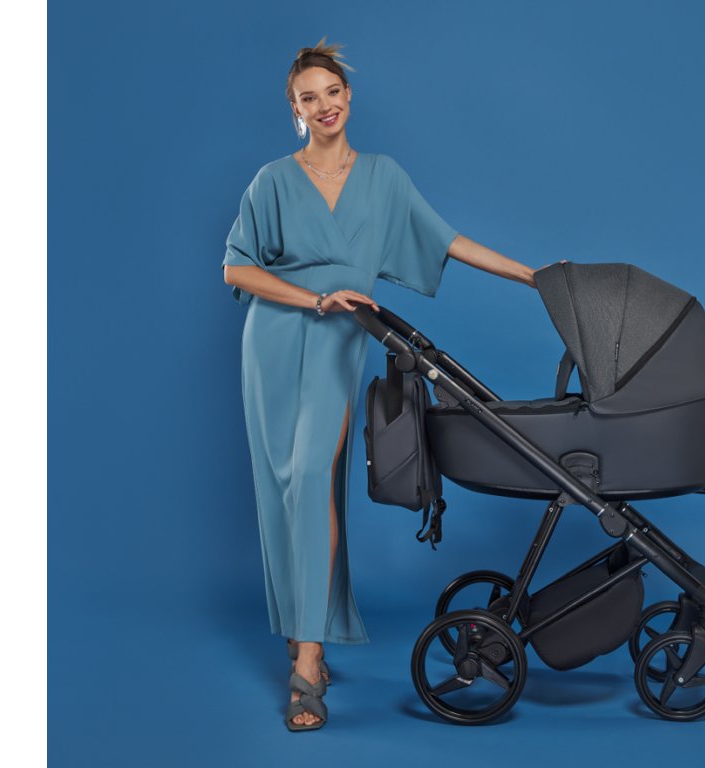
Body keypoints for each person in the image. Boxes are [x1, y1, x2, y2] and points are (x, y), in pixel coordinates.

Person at [222, 39, 546, 731]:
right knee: (285, 489)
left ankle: (309, 657)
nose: (324, 106)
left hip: (339, 344)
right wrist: (313, 299)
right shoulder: (272, 181)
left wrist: (531, 276)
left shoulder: (383, 177)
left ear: (349, 97)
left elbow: (447, 240)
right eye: (308, 98)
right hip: (274, 340)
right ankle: (304, 633)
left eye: (332, 92)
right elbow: (236, 268)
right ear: (295, 110)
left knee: (313, 477)